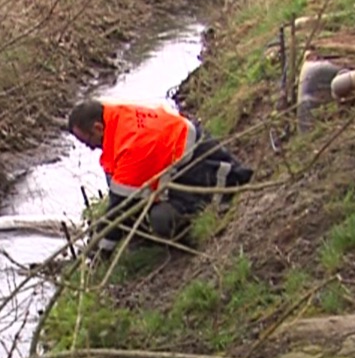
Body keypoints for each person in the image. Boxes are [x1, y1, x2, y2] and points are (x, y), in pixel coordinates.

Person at [66, 99, 251, 253]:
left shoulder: (132, 146)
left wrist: (100, 252)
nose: (89, 147)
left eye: (87, 141)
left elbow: (119, 209)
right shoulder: (117, 116)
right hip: (184, 162)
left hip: (205, 175)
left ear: (98, 128)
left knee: (161, 218)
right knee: (118, 183)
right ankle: (142, 233)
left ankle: (192, 232)